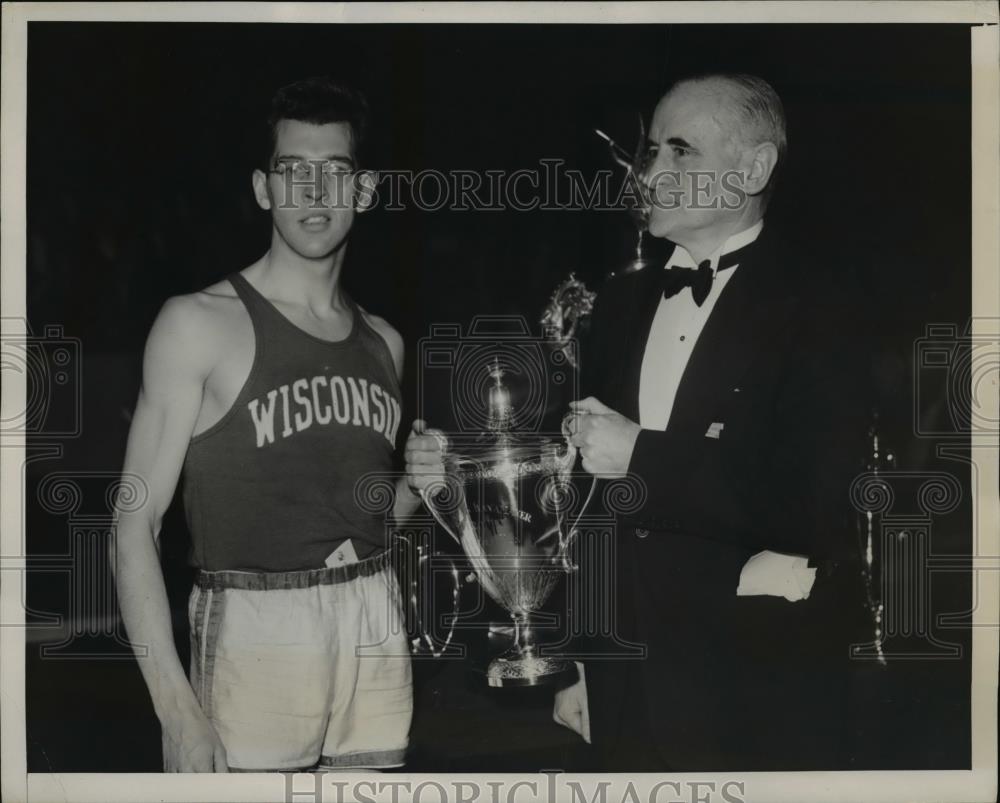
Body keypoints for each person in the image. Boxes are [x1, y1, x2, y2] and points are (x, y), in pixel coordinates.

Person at [407, 72, 869, 771]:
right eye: (650, 149)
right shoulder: (620, 304)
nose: (649, 171)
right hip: (623, 683)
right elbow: (587, 509)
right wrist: (582, 658)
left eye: (678, 151)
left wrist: (643, 456)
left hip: (757, 687)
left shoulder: (823, 306)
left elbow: (818, 503)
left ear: (753, 168)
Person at [111, 77, 422, 773]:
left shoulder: (386, 343)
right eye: (293, 173)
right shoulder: (197, 324)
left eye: (334, 174)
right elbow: (132, 522)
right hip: (255, 635)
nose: (314, 194)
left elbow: (370, 527)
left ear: (364, 192)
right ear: (263, 188)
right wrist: (178, 709)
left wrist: (416, 488)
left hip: (374, 622)